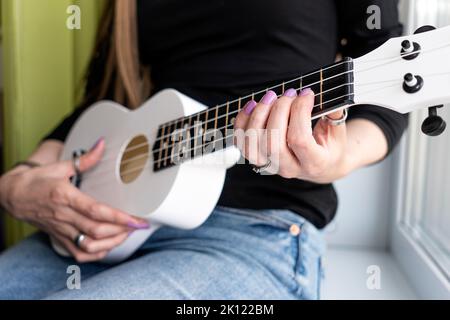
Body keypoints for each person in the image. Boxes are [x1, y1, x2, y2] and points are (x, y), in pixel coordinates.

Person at [0, 0, 407, 299]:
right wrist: (18, 183)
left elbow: (386, 78)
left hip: (258, 231)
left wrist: (335, 160)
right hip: (120, 219)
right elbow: (105, 101)